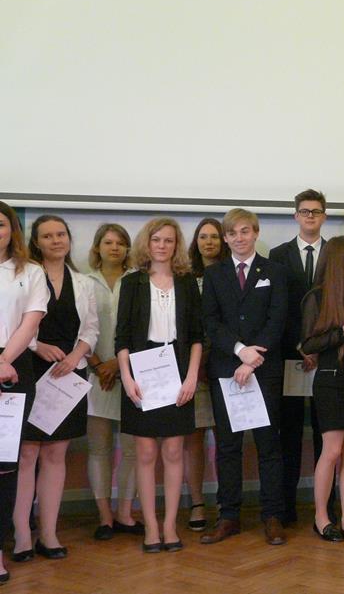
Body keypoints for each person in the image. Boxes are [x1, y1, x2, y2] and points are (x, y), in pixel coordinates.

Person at [13, 215, 98, 561]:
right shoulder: (25, 275)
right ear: (36, 242)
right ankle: (21, 534)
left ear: (69, 239)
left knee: (55, 454)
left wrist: (76, 355)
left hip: (68, 375)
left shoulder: (84, 282)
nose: (56, 240)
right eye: (47, 236)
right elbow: (15, 323)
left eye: (61, 234)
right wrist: (37, 346)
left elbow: (91, 329)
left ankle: (48, 534)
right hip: (30, 369)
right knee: (27, 454)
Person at [201, 209, 287, 546]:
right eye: (233, 233)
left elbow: (277, 319)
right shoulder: (214, 274)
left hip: (264, 370)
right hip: (226, 370)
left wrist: (252, 360)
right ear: (225, 238)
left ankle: (273, 516)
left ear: (256, 233)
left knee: (269, 446)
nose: (239, 238)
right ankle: (229, 516)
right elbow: (211, 322)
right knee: (227, 447)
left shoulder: (275, 271)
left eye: (245, 231)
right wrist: (240, 351)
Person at [116, 218, 203, 552]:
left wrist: (191, 377)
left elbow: (196, 336)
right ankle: (151, 526)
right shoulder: (132, 282)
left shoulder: (187, 282)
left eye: (168, 240)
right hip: (141, 369)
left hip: (178, 369)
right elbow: (122, 336)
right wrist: (127, 378)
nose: (162, 246)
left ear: (176, 245)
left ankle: (170, 525)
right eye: (156, 239)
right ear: (147, 243)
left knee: (173, 450)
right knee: (146, 451)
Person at [300, 236, 344, 542]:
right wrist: (341, 332)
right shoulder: (316, 297)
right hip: (330, 380)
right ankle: (321, 517)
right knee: (330, 451)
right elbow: (308, 344)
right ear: (339, 259)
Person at [268, 189, 331, 525]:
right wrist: (299, 347)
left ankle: (326, 507)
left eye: (316, 211)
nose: (310, 216)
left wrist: (317, 348)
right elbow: (277, 308)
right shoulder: (278, 255)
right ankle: (286, 507)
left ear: (324, 216)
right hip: (289, 356)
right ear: (295, 216)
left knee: (326, 435)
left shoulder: (335, 254)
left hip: (326, 357)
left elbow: (337, 306)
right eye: (304, 211)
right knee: (289, 435)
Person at [84, 223, 142, 541]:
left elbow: (142, 328)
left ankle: (124, 513)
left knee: (132, 450)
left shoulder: (138, 280)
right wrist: (98, 365)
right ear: (98, 247)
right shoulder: (83, 281)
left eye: (120, 243)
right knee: (99, 448)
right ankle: (104, 516)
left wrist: (118, 365)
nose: (115, 248)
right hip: (95, 376)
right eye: (108, 242)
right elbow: (79, 329)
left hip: (131, 375)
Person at [0, 201, 47, 583]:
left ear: (12, 230)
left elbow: (31, 323)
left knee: (4, 465)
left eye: (0, 225)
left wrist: (3, 361)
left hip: (15, 368)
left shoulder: (30, 271)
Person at [184, 217, 229, 532]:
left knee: (227, 439)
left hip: (225, 365)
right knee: (195, 440)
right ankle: (197, 502)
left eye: (214, 236)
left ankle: (228, 501)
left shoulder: (231, 274)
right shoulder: (185, 277)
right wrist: (195, 364)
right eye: (203, 236)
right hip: (193, 368)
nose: (209, 242)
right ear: (195, 242)